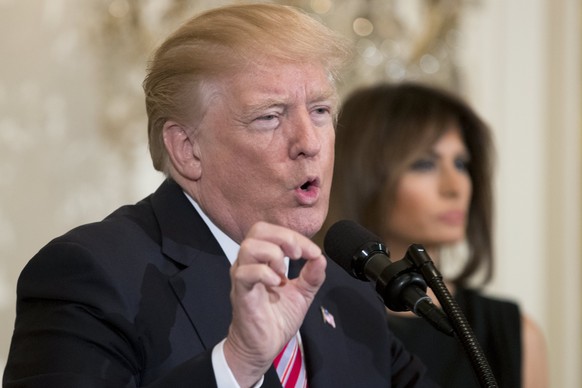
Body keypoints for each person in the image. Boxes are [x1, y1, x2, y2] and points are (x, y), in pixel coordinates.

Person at [3, 5, 438, 388]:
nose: (310, 142)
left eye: (321, 111)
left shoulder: (346, 293)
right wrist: (236, 364)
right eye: (270, 117)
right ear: (187, 149)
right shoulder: (90, 276)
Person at [320, 82, 548, 388]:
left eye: (461, 163)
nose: (454, 187)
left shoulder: (515, 334)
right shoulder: (318, 321)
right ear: (365, 176)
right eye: (424, 164)